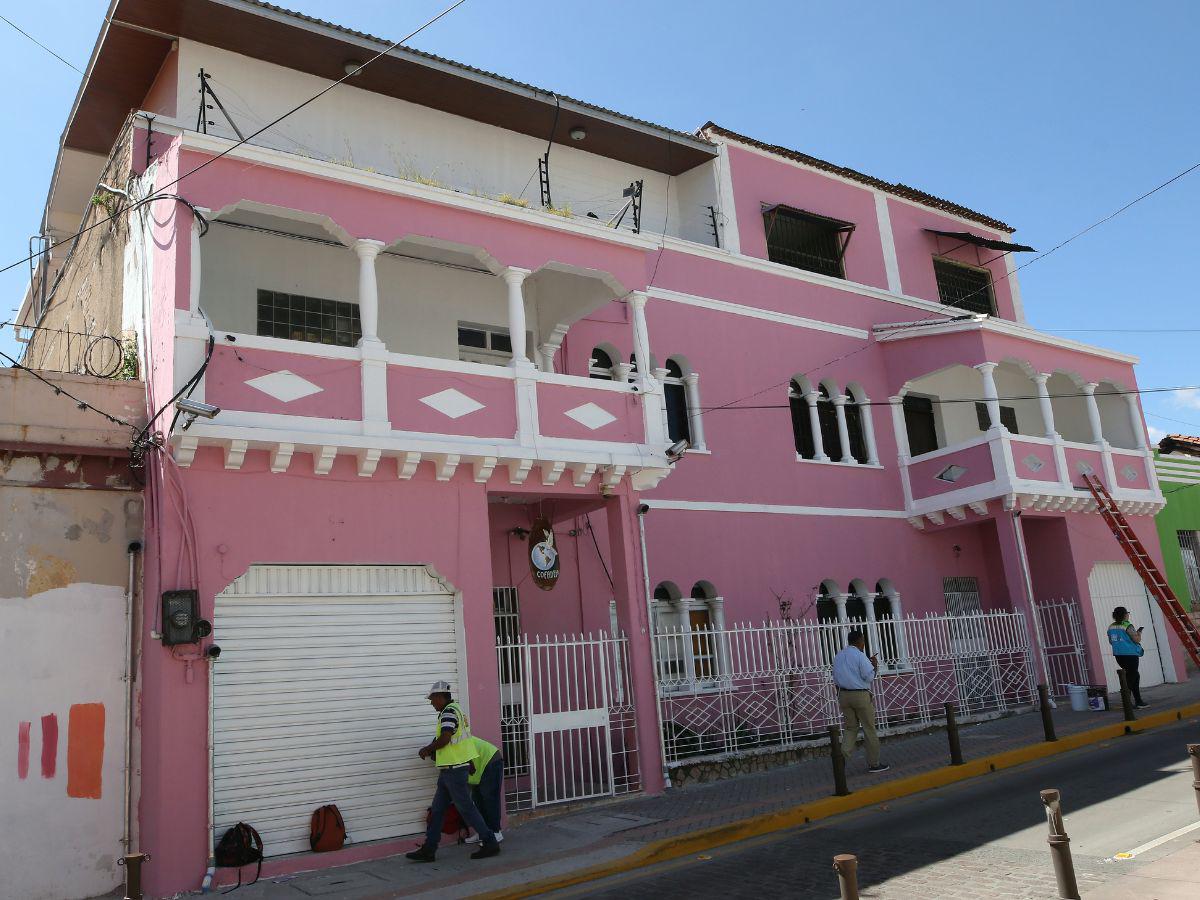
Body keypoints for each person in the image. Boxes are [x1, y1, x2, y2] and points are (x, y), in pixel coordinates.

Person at [406, 682, 501, 862]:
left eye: (432, 699)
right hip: (449, 770)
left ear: (440, 697)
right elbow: (465, 741)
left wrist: (427, 749)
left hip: (454, 771)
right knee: (438, 809)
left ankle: (490, 841)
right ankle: (429, 848)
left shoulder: (448, 713)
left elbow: (445, 737)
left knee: (466, 808)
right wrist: (469, 761)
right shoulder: (456, 710)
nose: (431, 703)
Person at [832, 630, 889, 773]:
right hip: (860, 695)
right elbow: (868, 677)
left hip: (843, 695)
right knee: (869, 729)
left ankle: (842, 758)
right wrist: (874, 666)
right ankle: (874, 763)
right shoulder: (860, 655)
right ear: (859, 641)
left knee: (850, 728)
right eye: (863, 640)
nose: (864, 643)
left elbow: (835, 678)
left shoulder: (839, 656)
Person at [464, 735, 504, 844]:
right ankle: (483, 832)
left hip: (490, 761)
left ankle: (496, 833)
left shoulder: (456, 745)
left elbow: (469, 765)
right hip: (479, 767)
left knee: (490, 799)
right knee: (478, 801)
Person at [1107, 606, 1149, 709]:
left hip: (1119, 655)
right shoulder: (1127, 626)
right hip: (1130, 655)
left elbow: (1111, 641)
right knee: (1131, 677)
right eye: (1127, 613)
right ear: (1125, 615)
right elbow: (1137, 640)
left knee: (1134, 676)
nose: (1128, 615)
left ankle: (1138, 701)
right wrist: (1139, 633)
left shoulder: (1111, 627)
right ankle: (1127, 702)